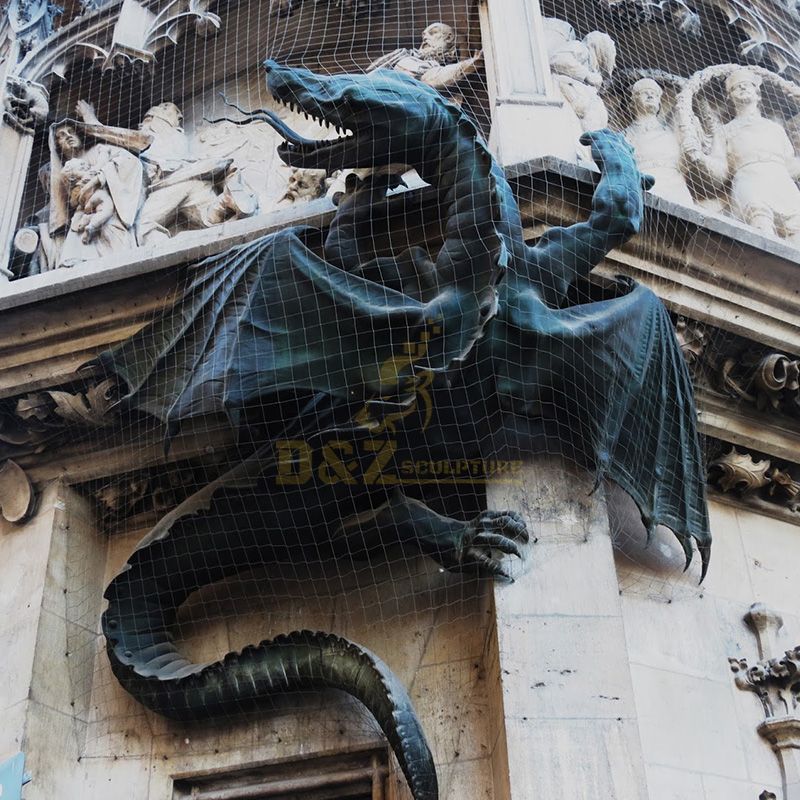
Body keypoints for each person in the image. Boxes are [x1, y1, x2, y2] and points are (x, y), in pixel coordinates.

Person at [73, 100, 257, 244]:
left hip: (172, 185)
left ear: (153, 122)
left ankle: (159, 255)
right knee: (209, 220)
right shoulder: (178, 139)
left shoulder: (152, 137)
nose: (140, 126)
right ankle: (225, 201)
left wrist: (89, 118)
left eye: (145, 121)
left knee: (144, 225)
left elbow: (115, 135)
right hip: (195, 182)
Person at [684, 68, 800, 243]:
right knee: (760, 226)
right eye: (737, 87)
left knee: (796, 226)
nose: (743, 89)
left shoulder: (775, 128)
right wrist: (700, 159)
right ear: (729, 97)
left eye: (747, 85)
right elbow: (722, 170)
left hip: (781, 181)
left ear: (757, 93)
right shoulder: (725, 131)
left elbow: (790, 164)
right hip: (749, 181)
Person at [48, 121, 143, 266]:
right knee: (74, 265)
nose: (68, 136)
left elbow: (131, 161)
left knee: (120, 259)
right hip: (83, 216)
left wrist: (101, 176)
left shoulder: (99, 149)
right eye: (61, 135)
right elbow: (72, 201)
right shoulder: (66, 172)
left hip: (111, 213)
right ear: (57, 145)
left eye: (71, 131)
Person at [623, 78, 694, 205]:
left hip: (676, 188)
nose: (650, 95)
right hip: (644, 187)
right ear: (633, 102)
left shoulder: (671, 133)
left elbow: (684, 165)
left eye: (655, 94)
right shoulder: (624, 136)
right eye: (645, 92)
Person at [367, 22, 481, 91]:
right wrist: (470, 64)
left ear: (450, 38)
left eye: (433, 32)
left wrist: (470, 62)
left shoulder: (433, 65)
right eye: (424, 36)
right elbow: (432, 77)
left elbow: (435, 76)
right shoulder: (407, 58)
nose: (425, 38)